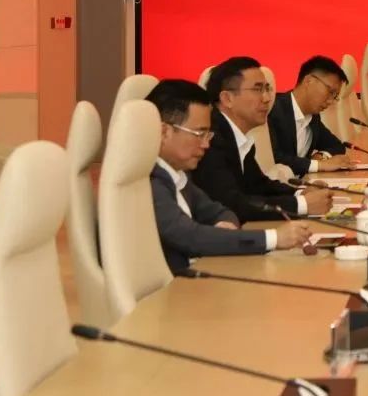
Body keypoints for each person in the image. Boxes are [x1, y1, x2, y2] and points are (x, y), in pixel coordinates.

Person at [146, 79, 313, 272]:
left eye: (208, 135)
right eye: (199, 134)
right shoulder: (149, 182)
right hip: (179, 287)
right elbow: (191, 236)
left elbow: (220, 211)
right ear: (164, 132)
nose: (205, 145)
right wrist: (275, 238)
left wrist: (225, 226)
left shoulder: (178, 174)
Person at [195, 56, 332, 222]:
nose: (267, 98)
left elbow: (258, 185)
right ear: (227, 99)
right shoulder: (210, 139)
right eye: (257, 89)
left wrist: (300, 192)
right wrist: (302, 205)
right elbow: (231, 204)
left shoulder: (236, 135)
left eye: (267, 89)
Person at [269, 55, 355, 177]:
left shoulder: (313, 117)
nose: (331, 101)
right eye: (330, 92)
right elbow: (273, 159)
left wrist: (321, 156)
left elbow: (337, 146)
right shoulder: (273, 111)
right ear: (308, 81)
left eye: (335, 96)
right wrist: (319, 165)